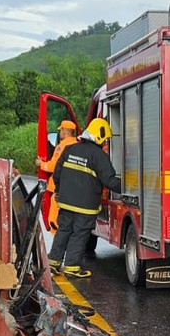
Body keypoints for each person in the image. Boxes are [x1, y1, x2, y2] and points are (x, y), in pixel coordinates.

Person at [48, 119, 120, 278]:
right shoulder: (99, 156)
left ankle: (53, 262)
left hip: (66, 202)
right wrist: (130, 187)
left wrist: (60, 192)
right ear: (100, 136)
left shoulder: (69, 149)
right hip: (85, 207)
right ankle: (72, 267)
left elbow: (57, 174)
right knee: (79, 234)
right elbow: (110, 181)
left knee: (64, 230)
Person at [37, 119, 78, 231]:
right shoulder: (78, 145)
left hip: (59, 188)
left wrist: (41, 164)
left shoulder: (62, 146)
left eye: (60, 130)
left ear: (65, 131)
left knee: (54, 219)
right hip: (74, 187)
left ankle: (58, 243)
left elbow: (53, 166)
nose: (60, 133)